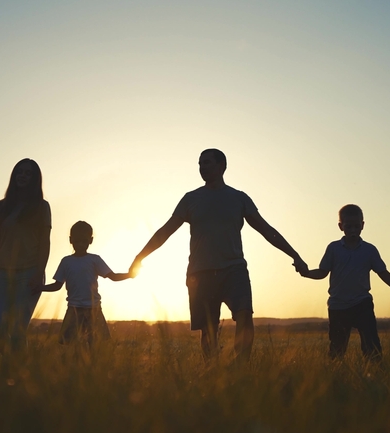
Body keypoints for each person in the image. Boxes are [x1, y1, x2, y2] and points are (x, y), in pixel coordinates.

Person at [129, 148, 308, 361]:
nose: (202, 167)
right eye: (200, 164)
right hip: (200, 273)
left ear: (222, 166)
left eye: (207, 163)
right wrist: (139, 257)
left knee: (244, 315)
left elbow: (266, 230)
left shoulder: (239, 198)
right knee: (209, 329)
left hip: (234, 270)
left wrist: (294, 255)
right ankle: (212, 371)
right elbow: (165, 231)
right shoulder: (191, 199)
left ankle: (242, 369)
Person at [301, 205, 390, 359]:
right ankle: (336, 379)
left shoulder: (369, 250)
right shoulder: (333, 248)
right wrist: (307, 273)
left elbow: (384, 274)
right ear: (340, 226)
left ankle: (374, 375)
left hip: (362, 304)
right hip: (338, 306)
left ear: (362, 225)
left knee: (372, 347)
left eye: (356, 226)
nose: (352, 230)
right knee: (337, 349)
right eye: (348, 226)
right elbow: (322, 272)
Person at [0, 159, 51, 351]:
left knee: (17, 330)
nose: (23, 176)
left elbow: (44, 243)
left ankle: (16, 373)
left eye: (28, 173)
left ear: (35, 179)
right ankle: (4, 366)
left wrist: (38, 273)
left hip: (29, 273)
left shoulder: (41, 207)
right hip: (2, 274)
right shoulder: (0, 207)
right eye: (20, 172)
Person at [39, 221, 132, 347]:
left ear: (90, 240)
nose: (80, 245)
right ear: (71, 240)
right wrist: (39, 288)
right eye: (77, 241)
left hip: (94, 310)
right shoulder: (66, 262)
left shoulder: (94, 260)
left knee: (97, 345)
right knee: (68, 345)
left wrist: (130, 275)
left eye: (84, 241)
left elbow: (113, 277)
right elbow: (57, 285)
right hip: (73, 309)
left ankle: (93, 365)